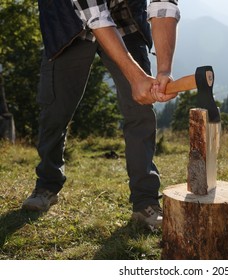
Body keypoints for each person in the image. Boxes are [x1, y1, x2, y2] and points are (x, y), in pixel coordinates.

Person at [21, 0, 180, 228]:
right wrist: (136, 78)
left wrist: (164, 70)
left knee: (141, 111)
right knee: (55, 110)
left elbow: (164, 6)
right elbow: (96, 16)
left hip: (124, 20)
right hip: (68, 21)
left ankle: (145, 202)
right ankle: (47, 185)